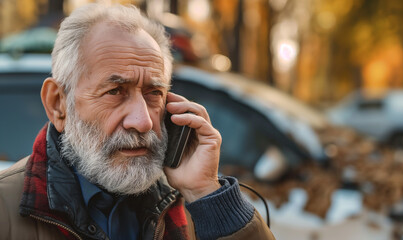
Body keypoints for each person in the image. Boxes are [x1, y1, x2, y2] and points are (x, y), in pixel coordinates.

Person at [0, 3, 274, 240]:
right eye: (115, 92)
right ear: (58, 104)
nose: (143, 121)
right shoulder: (5, 211)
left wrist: (205, 193)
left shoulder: (193, 206)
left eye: (154, 93)